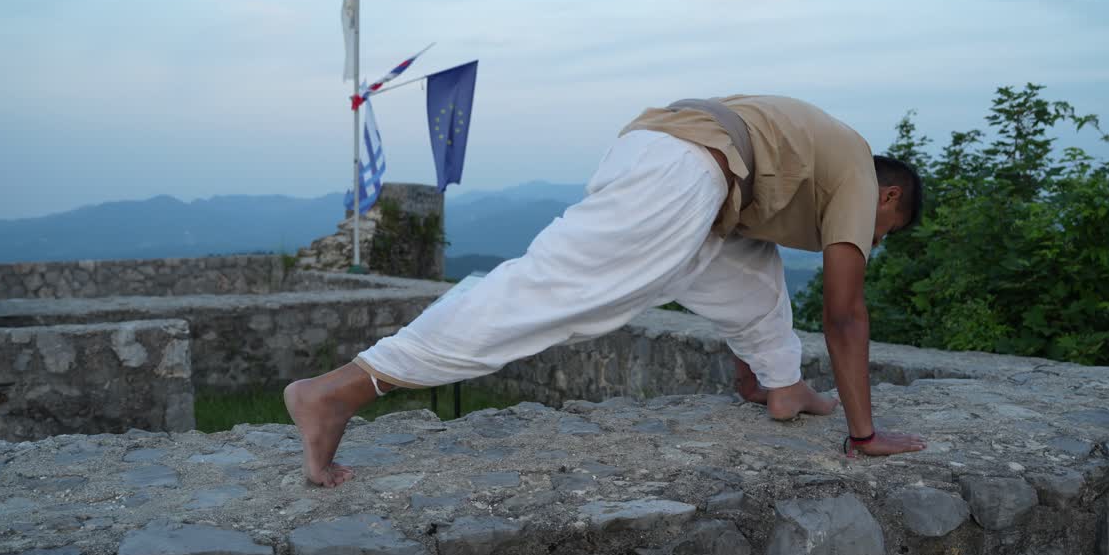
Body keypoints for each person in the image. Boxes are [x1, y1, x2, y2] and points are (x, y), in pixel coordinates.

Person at [286, 94, 927, 487]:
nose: (872, 238)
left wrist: (759, 368)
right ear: (888, 195)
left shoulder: (820, 157)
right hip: (685, 168)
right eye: (885, 229)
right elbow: (846, 316)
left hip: (684, 162)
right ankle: (340, 390)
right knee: (548, 292)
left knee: (757, 279)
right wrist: (864, 436)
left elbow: (746, 255)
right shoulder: (862, 175)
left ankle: (781, 386)